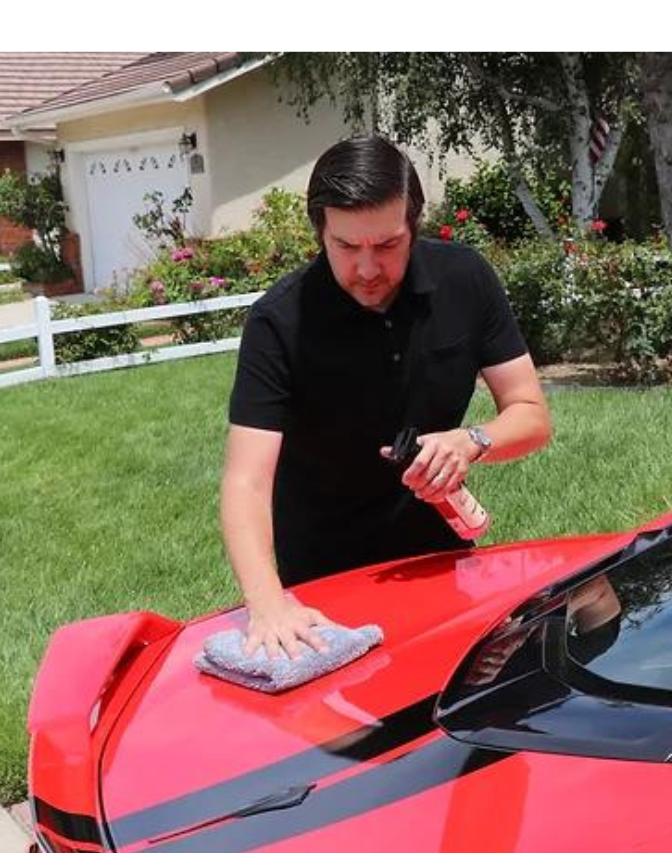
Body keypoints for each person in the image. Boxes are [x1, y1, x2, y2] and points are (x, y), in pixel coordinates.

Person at [221, 135, 551, 660]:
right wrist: (267, 604)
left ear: (414, 224)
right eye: (346, 247)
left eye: (388, 245)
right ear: (320, 232)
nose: (368, 269)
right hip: (325, 578)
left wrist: (471, 441)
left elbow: (531, 415)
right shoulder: (278, 322)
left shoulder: (465, 279)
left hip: (443, 561)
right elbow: (247, 481)